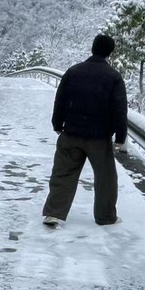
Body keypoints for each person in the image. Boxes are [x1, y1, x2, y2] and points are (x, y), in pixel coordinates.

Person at [42, 34, 128, 227]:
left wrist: (57, 125)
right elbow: (120, 110)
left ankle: (53, 214)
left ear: (92, 48)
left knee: (63, 174)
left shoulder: (73, 72)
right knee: (106, 178)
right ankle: (106, 217)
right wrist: (120, 137)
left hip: (71, 134)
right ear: (110, 52)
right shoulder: (113, 77)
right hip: (99, 138)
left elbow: (60, 100)